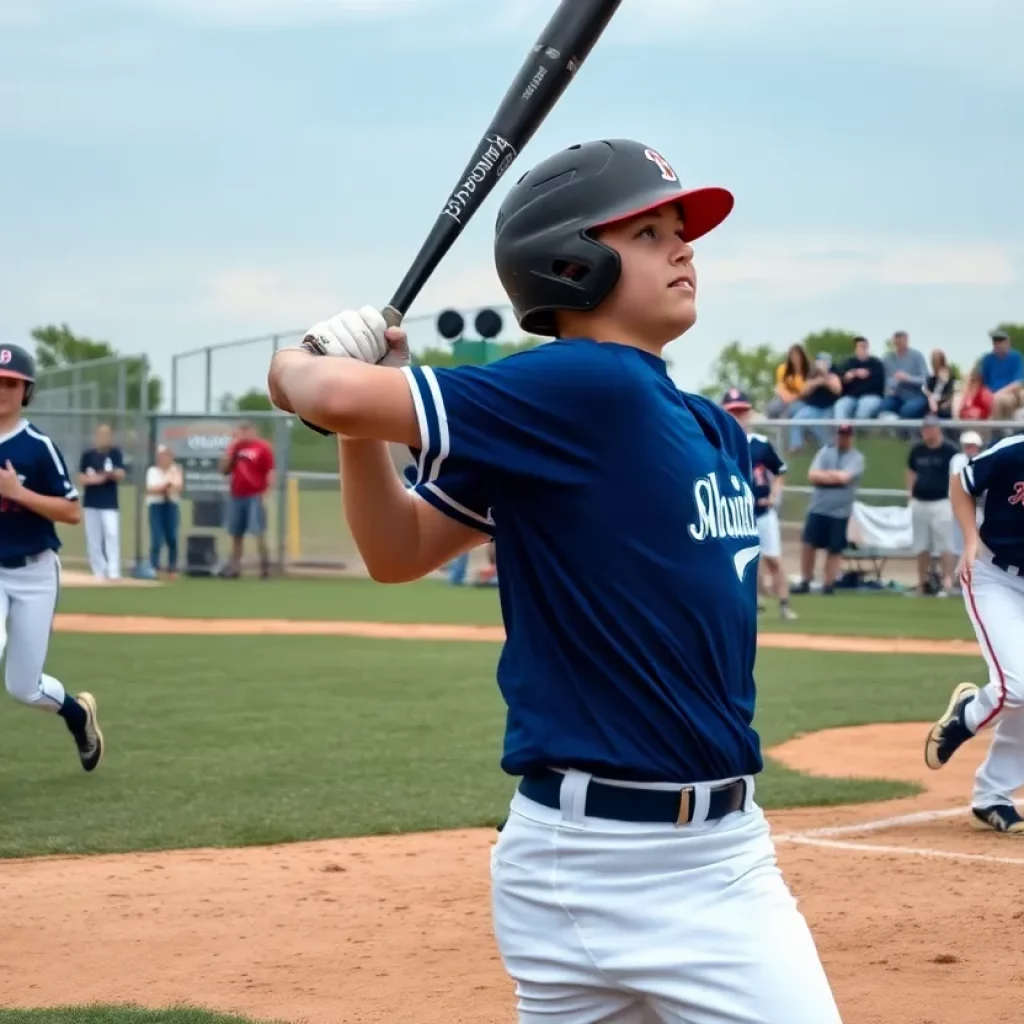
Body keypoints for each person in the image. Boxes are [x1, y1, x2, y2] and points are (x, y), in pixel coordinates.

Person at [267, 138, 843, 1023]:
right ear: (574, 262)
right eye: (650, 232)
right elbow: (392, 537)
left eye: (679, 230)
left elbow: (390, 543)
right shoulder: (586, 388)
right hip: (580, 853)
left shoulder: (702, 426)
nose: (684, 247)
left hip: (712, 861)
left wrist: (336, 376)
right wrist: (304, 365)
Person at [0, 343, 104, 772]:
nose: (2, 390)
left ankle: (78, 717)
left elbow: (72, 511)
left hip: (34, 573)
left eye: (11, 383)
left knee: (24, 688)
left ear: (27, 391)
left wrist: (18, 493)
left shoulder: (37, 446)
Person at [925, 433, 1024, 835]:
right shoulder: (1013, 451)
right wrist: (968, 540)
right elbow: (960, 483)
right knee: (1015, 686)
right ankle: (965, 714)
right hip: (991, 574)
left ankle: (992, 797)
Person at [722, 387, 797, 621]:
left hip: (762, 512)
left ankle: (784, 604)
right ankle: (745, 607)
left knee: (773, 559)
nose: (738, 416)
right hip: (735, 514)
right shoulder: (719, 443)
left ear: (749, 414)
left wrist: (774, 495)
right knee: (738, 563)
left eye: (741, 411)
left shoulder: (760, 444)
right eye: (732, 412)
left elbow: (780, 471)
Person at [793, 423, 865, 595]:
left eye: (846, 435)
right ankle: (805, 580)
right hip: (818, 508)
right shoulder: (825, 452)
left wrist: (826, 476)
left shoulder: (857, 458)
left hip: (840, 512)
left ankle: (828, 584)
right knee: (809, 544)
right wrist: (834, 477)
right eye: (840, 434)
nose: (843, 438)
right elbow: (812, 475)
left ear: (851, 437)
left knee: (834, 549)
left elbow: (845, 477)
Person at [906, 415, 958, 596]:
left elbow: (957, 475)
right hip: (920, 501)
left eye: (930, 428)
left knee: (945, 545)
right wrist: (910, 495)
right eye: (925, 428)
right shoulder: (917, 450)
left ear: (938, 429)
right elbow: (911, 471)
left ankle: (947, 583)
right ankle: (922, 583)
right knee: (921, 546)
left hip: (942, 501)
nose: (927, 432)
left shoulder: (950, 451)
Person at [218, 420, 275, 579]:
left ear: (253, 431)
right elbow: (224, 470)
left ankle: (265, 568)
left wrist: (266, 492)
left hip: (255, 495)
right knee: (236, 533)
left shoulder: (262, 448)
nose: (243, 435)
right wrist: (230, 452)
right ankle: (234, 568)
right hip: (237, 495)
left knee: (258, 532)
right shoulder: (235, 448)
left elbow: (270, 471)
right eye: (240, 432)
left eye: (246, 431)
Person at [78, 423, 126, 580]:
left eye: (107, 435)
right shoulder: (88, 455)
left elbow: (120, 474)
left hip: (110, 503)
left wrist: (107, 476)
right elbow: (82, 478)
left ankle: (113, 570)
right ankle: (98, 569)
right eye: (101, 435)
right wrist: (97, 479)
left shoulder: (115, 453)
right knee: (93, 538)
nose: (103, 438)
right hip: (91, 502)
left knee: (111, 534)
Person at [787, 352, 841, 452]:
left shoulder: (833, 375)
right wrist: (816, 382)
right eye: (820, 362)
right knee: (797, 420)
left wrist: (825, 378)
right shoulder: (811, 375)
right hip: (813, 408)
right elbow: (803, 392)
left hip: (829, 409)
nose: (822, 365)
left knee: (822, 428)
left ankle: (828, 447)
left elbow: (837, 390)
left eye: (825, 362)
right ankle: (796, 445)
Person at [146, 444, 183, 577]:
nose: (163, 459)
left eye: (166, 456)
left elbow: (177, 487)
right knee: (156, 537)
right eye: (160, 456)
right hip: (156, 506)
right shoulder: (152, 471)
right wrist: (165, 487)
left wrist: (164, 488)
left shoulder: (176, 470)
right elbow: (151, 489)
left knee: (172, 537)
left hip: (171, 505)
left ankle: (172, 568)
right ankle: (154, 566)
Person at [949, 430, 984, 567]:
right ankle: (960, 573)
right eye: (967, 445)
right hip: (960, 506)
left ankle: (970, 571)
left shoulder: (983, 460)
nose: (970, 448)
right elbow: (958, 481)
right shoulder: (958, 459)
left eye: (973, 445)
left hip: (978, 506)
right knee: (959, 541)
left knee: (975, 540)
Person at [878, 330, 929, 420]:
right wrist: (894, 382)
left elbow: (925, 379)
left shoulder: (917, 356)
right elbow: (885, 380)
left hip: (915, 395)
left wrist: (907, 378)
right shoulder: (887, 358)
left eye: (900, 341)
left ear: (906, 340)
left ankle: (906, 430)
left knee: (907, 411)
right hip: (896, 395)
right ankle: (895, 428)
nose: (898, 345)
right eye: (896, 342)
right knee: (883, 408)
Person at [833, 335, 885, 421]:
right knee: (840, 405)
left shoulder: (876, 363)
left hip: (871, 395)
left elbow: (880, 383)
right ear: (855, 348)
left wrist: (868, 375)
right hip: (851, 396)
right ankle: (842, 431)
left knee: (864, 406)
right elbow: (840, 380)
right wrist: (849, 376)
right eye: (860, 347)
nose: (862, 349)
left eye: (864, 347)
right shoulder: (848, 363)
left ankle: (858, 431)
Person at [979, 329, 1023, 423]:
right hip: (990, 394)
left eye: (1000, 341)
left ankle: (996, 431)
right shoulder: (987, 359)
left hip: (1010, 394)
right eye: (995, 341)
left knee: (998, 399)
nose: (997, 344)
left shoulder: (1016, 357)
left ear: (1008, 342)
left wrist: (999, 393)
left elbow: (1018, 383)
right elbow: (981, 381)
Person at [766, 344, 810, 419]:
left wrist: (794, 397)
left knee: (793, 410)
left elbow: (806, 392)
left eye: (798, 356)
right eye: (793, 356)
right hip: (785, 399)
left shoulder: (808, 370)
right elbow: (781, 388)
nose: (795, 358)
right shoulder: (783, 369)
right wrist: (787, 397)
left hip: (802, 401)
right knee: (772, 408)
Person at [921, 348, 956, 420]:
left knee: (944, 411)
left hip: (944, 402)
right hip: (932, 403)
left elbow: (949, 393)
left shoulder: (949, 374)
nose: (935, 362)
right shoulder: (931, 377)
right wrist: (931, 398)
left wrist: (939, 400)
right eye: (933, 360)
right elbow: (926, 389)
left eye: (936, 360)